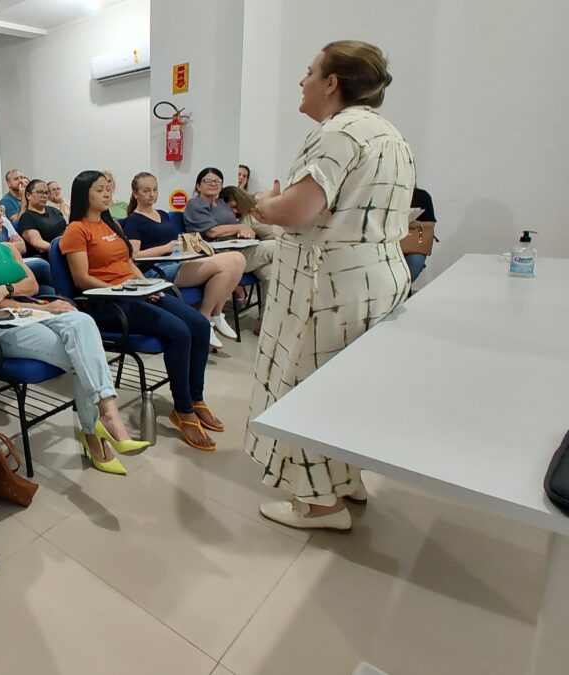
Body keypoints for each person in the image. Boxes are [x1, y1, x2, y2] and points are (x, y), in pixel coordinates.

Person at [246, 40, 414, 531]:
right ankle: (347, 479)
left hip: (330, 284)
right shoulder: (389, 135)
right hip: (374, 275)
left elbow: (299, 210)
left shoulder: (338, 131)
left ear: (332, 82)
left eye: (309, 71)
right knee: (348, 390)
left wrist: (264, 204)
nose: (302, 81)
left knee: (308, 388)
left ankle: (321, 504)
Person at [0, 190, 149, 475]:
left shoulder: (8, 249)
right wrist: (32, 303)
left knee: (81, 322)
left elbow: (31, 284)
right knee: (83, 356)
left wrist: (6, 289)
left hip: (31, 312)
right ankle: (95, 432)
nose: (0, 215)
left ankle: (107, 415)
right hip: (3, 328)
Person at [60, 170, 222, 452]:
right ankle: (182, 410)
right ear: (84, 194)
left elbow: (129, 262)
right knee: (180, 333)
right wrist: (125, 290)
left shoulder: (112, 225)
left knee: (200, 325)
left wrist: (145, 284)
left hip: (136, 292)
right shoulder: (77, 229)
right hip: (107, 302)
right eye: (100, 190)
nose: (108, 193)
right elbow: (81, 279)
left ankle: (196, 398)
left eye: (108, 188)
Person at [125, 172, 245, 348]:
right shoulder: (134, 220)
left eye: (155, 190)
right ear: (135, 194)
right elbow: (134, 256)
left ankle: (215, 315)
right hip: (158, 269)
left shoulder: (162, 215)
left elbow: (177, 241)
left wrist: (195, 244)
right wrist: (166, 248)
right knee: (228, 262)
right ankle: (206, 318)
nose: (152, 194)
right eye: (146, 191)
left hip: (178, 262)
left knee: (238, 259)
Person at [184, 167, 277, 282]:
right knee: (276, 246)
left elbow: (235, 224)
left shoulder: (222, 203)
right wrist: (241, 227)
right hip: (219, 254)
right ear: (198, 186)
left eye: (217, 181)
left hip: (241, 247)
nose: (213, 184)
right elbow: (212, 231)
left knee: (272, 276)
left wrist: (245, 232)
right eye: (207, 181)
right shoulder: (195, 204)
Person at [17, 179, 67, 258]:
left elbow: (66, 228)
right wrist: (62, 249)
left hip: (66, 249)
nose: (44, 196)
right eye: (40, 192)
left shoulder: (53, 210)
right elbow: (38, 243)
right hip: (49, 256)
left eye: (46, 193)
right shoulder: (26, 218)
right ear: (28, 195)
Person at [404, 186, 437, 283]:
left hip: (413, 245)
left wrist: (417, 224)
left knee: (415, 262)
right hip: (388, 242)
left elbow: (431, 223)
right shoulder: (384, 194)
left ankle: (403, 291)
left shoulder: (422, 196)